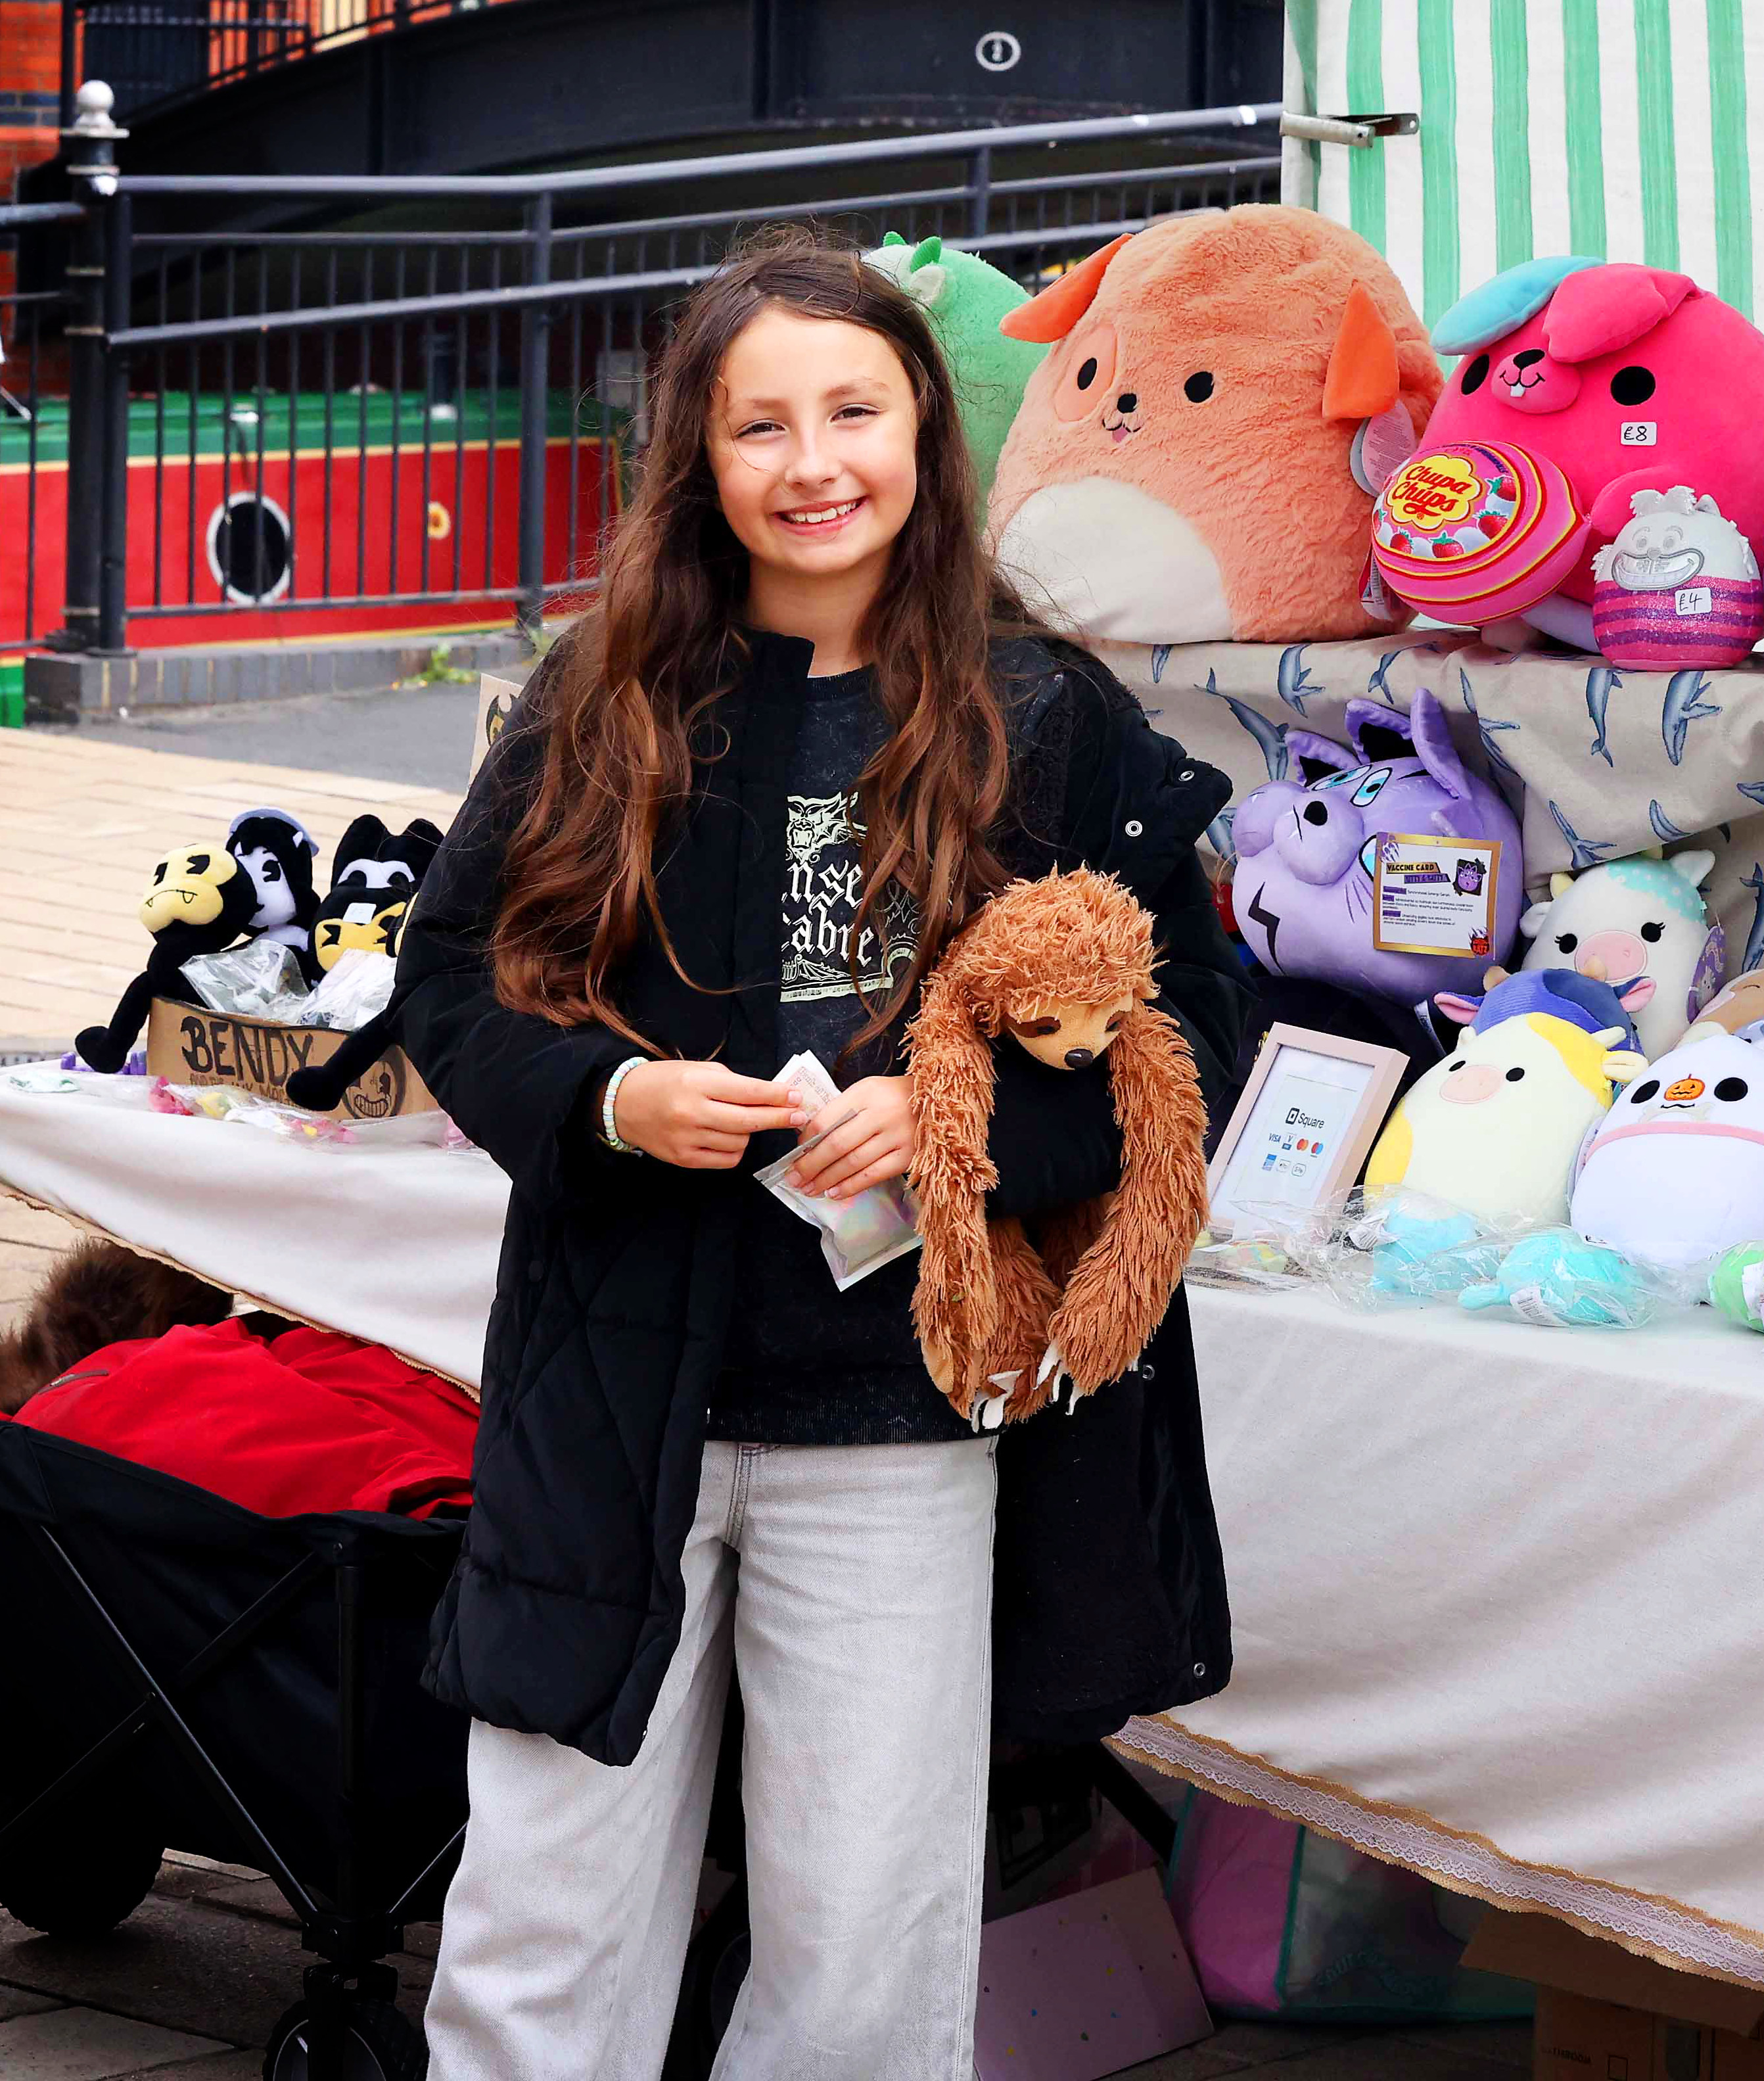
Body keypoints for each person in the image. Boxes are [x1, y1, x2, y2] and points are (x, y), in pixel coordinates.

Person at [399, 227, 1251, 2077]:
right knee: (548, 1898)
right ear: (696, 464)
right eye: (758, 424)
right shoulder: (605, 693)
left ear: (926, 435)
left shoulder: (1041, 712)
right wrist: (607, 1101)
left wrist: (977, 1135)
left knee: (868, 1931)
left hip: (893, 1404)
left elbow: (1193, 1022)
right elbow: (450, 975)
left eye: (853, 409)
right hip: (612, 1377)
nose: (813, 462)